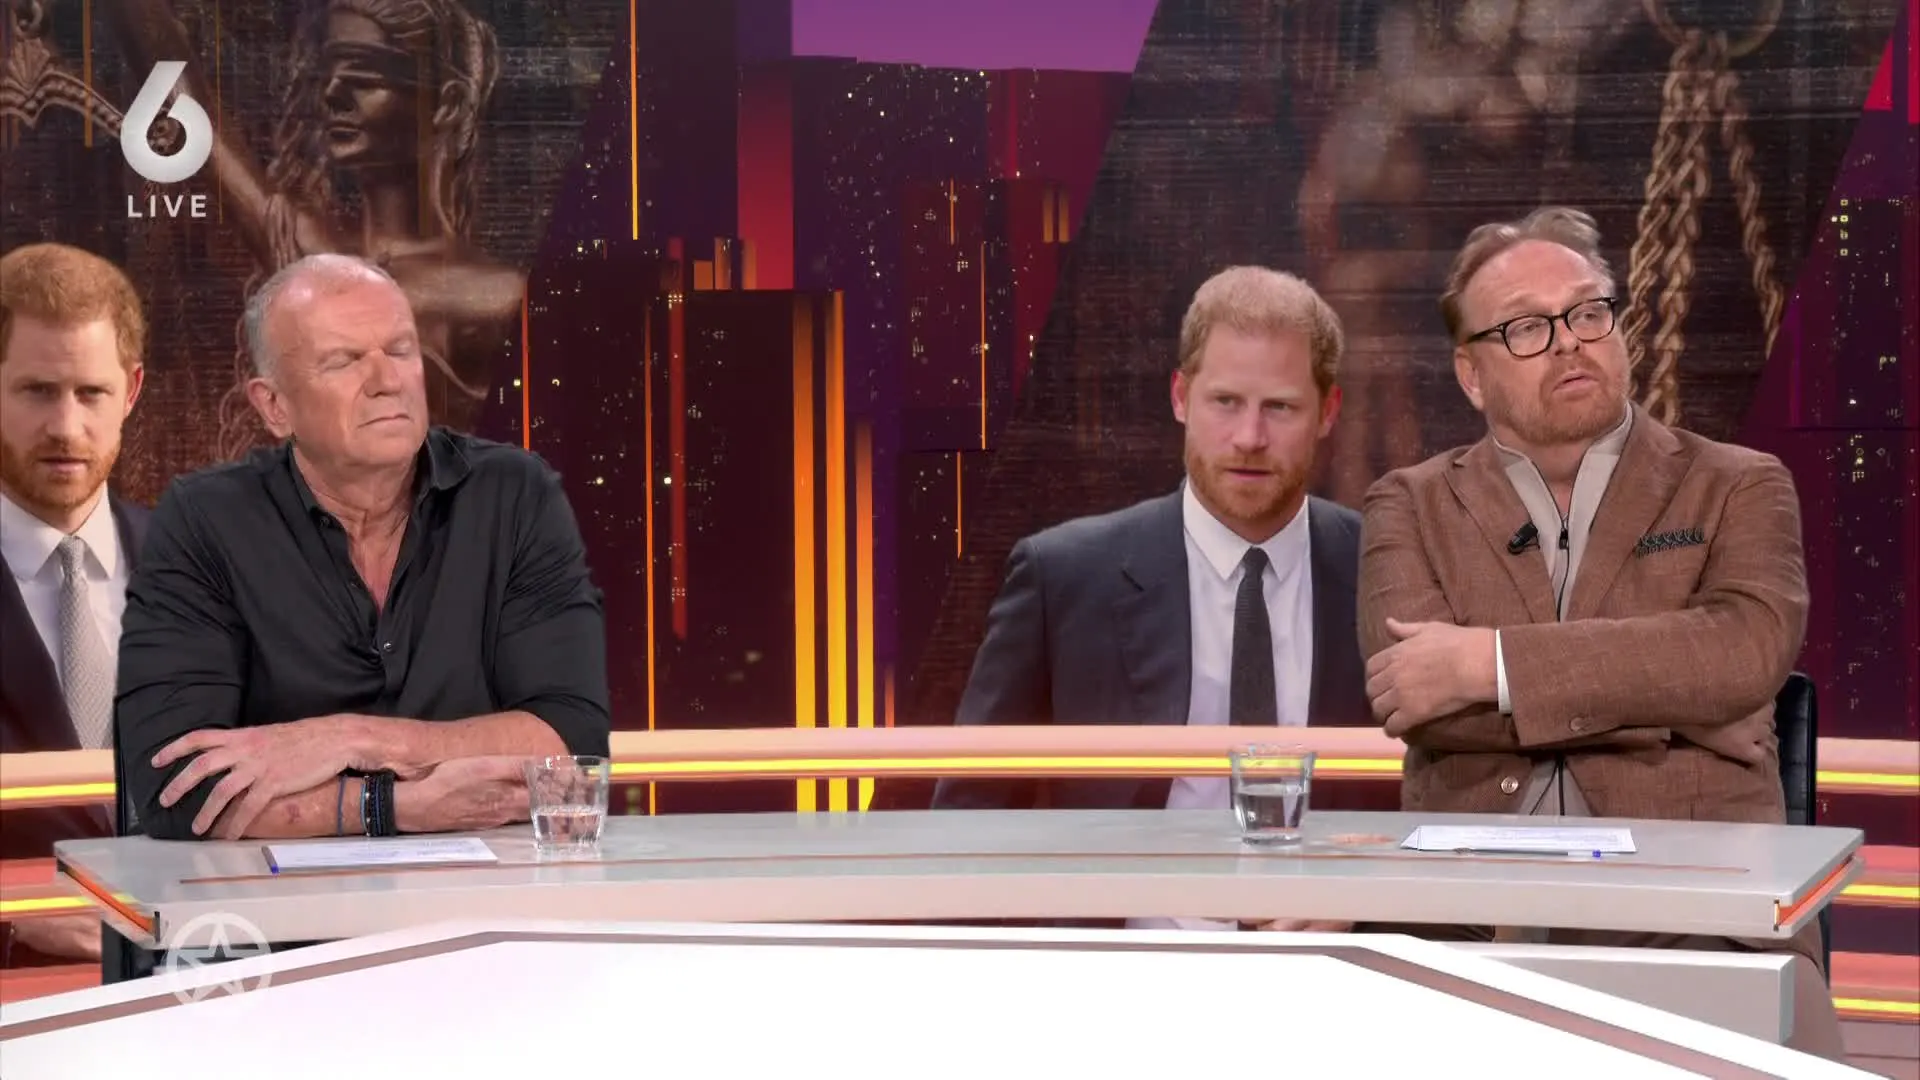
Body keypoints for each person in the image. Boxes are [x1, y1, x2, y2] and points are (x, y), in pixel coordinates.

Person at [1356, 206, 1844, 1059]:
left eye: (1588, 313)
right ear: (1471, 375)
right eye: (1528, 328)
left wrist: (1486, 663)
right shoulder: (1409, 504)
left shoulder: (1737, 485)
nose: (1571, 343)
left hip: (1697, 910)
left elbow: (1742, 654)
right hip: (1467, 916)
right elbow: (1418, 700)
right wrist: (1678, 701)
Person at [116, 253, 609, 844]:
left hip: (494, 887)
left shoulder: (514, 494)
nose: (387, 380)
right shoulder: (204, 521)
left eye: (400, 350)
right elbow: (178, 790)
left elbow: (569, 744)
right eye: (344, 360)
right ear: (274, 406)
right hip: (278, 899)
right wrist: (393, 806)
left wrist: (350, 739)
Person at [931, 266, 1371, 929]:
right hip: (1120, 963)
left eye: (1280, 407)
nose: (1249, 437)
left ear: (1328, 412)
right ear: (1180, 397)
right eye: (1225, 402)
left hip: (1339, 961)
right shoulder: (1063, 577)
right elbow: (969, 819)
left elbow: (1433, 800)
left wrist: (1359, 900)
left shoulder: (1383, 566)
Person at [0, 243, 149, 968]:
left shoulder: (208, 570)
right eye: (37, 391)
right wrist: (14, 918)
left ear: (131, 391)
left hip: (206, 989)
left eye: (90, 393)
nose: (65, 426)